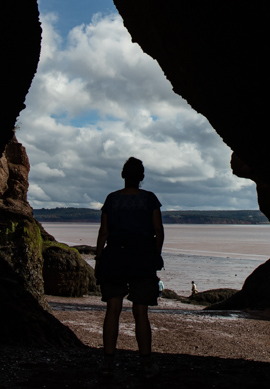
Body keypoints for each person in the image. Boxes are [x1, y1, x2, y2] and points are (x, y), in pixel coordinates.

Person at [95, 157, 164, 378]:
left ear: (123, 175)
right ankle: (145, 363)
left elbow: (104, 232)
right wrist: (156, 254)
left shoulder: (112, 199)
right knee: (140, 312)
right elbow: (159, 230)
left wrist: (99, 258)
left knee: (113, 309)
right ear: (141, 177)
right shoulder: (149, 199)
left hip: (115, 255)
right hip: (142, 256)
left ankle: (108, 362)